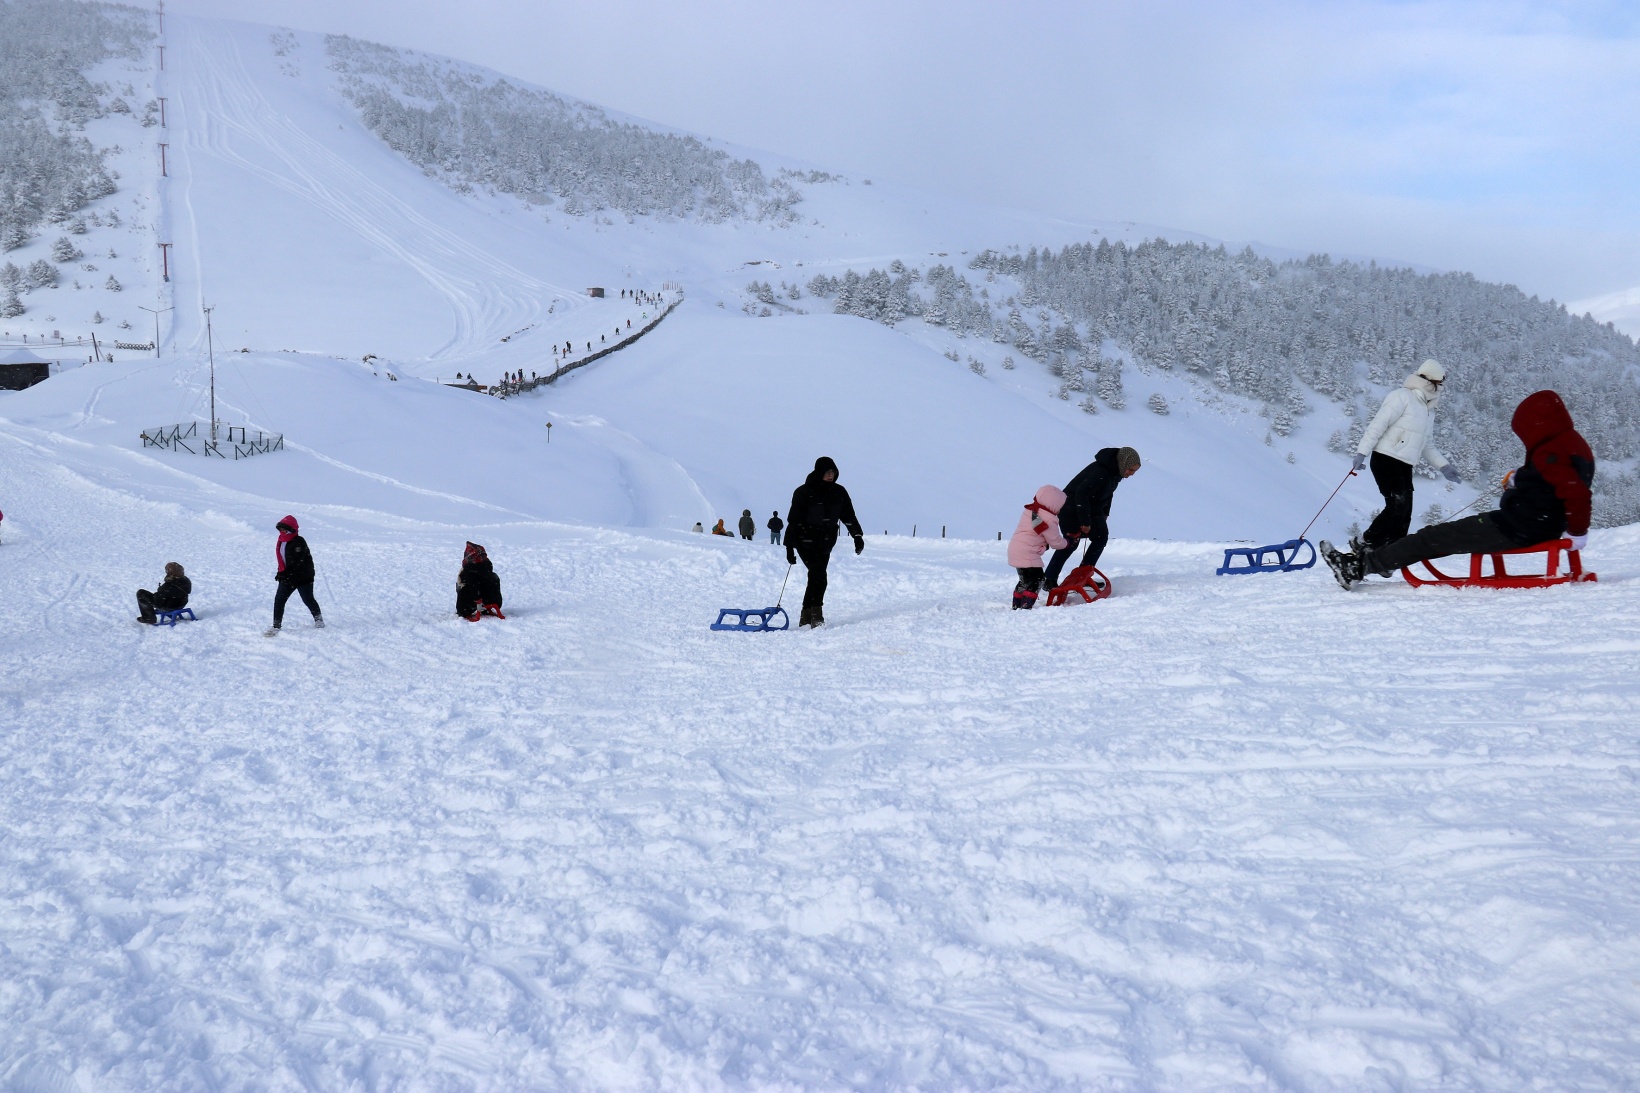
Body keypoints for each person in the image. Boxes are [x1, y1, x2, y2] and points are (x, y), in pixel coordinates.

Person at [1322, 390, 1594, 589]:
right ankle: (1371, 560)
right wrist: (1521, 479)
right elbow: (1554, 482)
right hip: (1529, 523)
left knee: (1432, 537)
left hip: (1517, 527)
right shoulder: (1570, 443)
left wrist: (1577, 533)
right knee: (1437, 536)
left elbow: (1575, 492)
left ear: (1537, 424)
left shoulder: (1550, 452)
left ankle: (1358, 568)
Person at [1351, 359, 1461, 553]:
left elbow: (1427, 443)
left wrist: (1444, 466)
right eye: (1439, 383)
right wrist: (1362, 451)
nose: (1440, 388)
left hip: (1404, 464)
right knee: (1397, 505)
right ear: (1429, 381)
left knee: (1405, 512)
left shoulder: (1428, 410)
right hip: (1385, 458)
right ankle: (1365, 544)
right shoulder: (1402, 396)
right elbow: (1378, 424)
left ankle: (1393, 553)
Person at [1042, 447, 1141, 590]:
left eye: (1134, 471)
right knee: (1071, 543)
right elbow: (1081, 494)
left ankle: (1083, 576)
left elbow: (1109, 493)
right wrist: (1085, 522)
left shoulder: (1115, 472)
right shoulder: (1100, 472)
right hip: (1071, 508)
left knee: (1101, 538)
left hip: (1092, 509)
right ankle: (1049, 579)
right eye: (1130, 470)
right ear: (1123, 463)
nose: (1131, 474)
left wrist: (1105, 513)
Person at [784, 456, 864, 628]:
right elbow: (794, 520)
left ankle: (805, 616)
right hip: (804, 540)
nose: (830, 475)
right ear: (819, 472)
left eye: (833, 472)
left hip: (826, 541)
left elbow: (848, 516)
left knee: (815, 576)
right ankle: (816, 616)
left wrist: (857, 536)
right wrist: (789, 547)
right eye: (827, 472)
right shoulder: (804, 492)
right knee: (819, 575)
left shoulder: (839, 492)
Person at [1007, 486, 1068, 610]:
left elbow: (1034, 534)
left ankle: (1016, 605)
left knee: (1025, 580)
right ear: (1054, 504)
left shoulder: (1030, 510)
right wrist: (1067, 542)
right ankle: (1026, 606)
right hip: (1028, 553)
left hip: (1015, 548)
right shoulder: (1049, 519)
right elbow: (1055, 542)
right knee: (1037, 579)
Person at [267, 514, 323, 634]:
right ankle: (276, 626)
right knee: (279, 600)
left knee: (308, 599)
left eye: (284, 529)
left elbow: (297, 562)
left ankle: (318, 618)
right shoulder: (281, 541)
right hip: (287, 577)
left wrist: (286, 574)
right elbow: (283, 560)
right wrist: (280, 572)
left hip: (303, 577)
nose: (282, 531)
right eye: (280, 529)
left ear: (292, 529)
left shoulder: (299, 541)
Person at [455, 541, 503, 619]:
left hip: (470, 606)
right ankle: (487, 604)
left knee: (461, 583)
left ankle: (467, 609)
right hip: (493, 601)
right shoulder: (488, 568)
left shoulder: (468, 572)